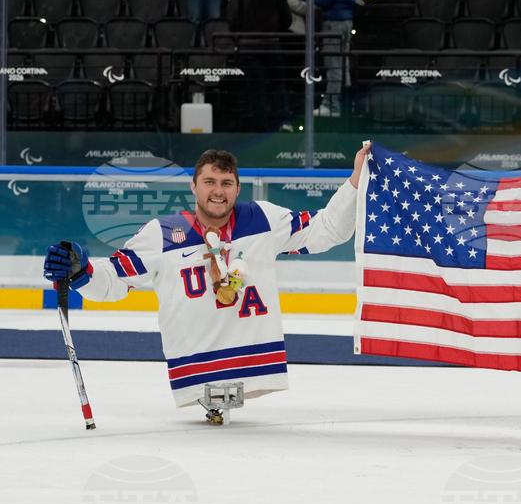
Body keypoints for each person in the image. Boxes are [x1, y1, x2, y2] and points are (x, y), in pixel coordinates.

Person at [41, 146, 369, 412]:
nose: (218, 190)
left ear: (238, 189)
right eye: (209, 181)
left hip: (254, 367)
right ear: (194, 186)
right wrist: (82, 271)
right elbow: (114, 282)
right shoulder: (163, 233)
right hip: (196, 372)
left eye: (226, 183)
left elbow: (328, 229)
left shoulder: (263, 219)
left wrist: (356, 177)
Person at [226, 0, 294, 132]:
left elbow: (232, 19)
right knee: (279, 83)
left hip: (248, 45)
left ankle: (260, 128)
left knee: (256, 88)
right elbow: (287, 19)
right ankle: (285, 122)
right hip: (272, 43)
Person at [289, 0, 356, 118]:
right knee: (344, 65)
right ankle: (343, 104)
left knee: (334, 65)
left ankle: (331, 106)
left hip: (334, 24)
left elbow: (325, 1)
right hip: (346, 22)